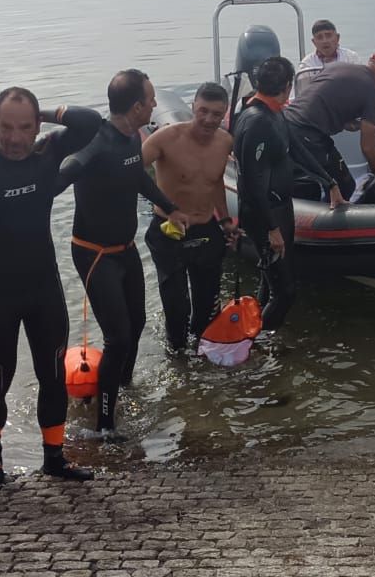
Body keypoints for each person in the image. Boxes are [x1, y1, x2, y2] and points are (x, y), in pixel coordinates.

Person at [0, 89, 99, 486]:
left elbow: (88, 121)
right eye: (6, 127)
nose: (15, 138)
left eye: (25, 127)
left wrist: (43, 113)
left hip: (43, 286)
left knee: (53, 374)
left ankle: (54, 458)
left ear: (37, 126)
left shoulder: (47, 151)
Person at [57, 70, 194, 440]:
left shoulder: (133, 136)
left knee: (135, 326)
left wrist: (170, 207)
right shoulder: (97, 144)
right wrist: (42, 187)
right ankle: (104, 425)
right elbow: (68, 171)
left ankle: (122, 387)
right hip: (94, 254)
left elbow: (139, 179)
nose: (154, 104)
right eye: (150, 100)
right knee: (117, 337)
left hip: (125, 250)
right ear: (136, 106)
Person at [142, 82, 233, 354]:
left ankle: (203, 354)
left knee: (207, 305)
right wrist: (167, 206)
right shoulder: (165, 139)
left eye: (216, 114)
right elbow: (130, 173)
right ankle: (177, 357)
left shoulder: (225, 141)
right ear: (193, 106)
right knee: (176, 307)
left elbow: (216, 182)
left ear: (224, 114)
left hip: (206, 228)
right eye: (203, 110)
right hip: (169, 232)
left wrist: (226, 220)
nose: (208, 119)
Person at [282, 51, 375, 203]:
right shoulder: (372, 90)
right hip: (308, 133)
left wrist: (350, 123)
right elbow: (368, 147)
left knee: (312, 182)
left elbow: (321, 99)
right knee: (345, 186)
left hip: (286, 123)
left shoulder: (338, 67)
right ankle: (331, 223)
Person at [233, 55, 299, 332]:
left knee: (268, 282)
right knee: (285, 293)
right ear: (287, 86)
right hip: (265, 214)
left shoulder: (274, 111)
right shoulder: (257, 120)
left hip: (280, 208)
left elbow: (295, 147)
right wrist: (272, 228)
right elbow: (252, 181)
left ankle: (253, 333)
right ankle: (262, 343)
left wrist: (329, 181)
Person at [295, 18, 361, 88]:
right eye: (320, 37)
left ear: (337, 38)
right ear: (314, 42)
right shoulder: (307, 65)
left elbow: (360, 85)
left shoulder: (351, 58)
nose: (325, 41)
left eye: (328, 36)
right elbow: (303, 92)